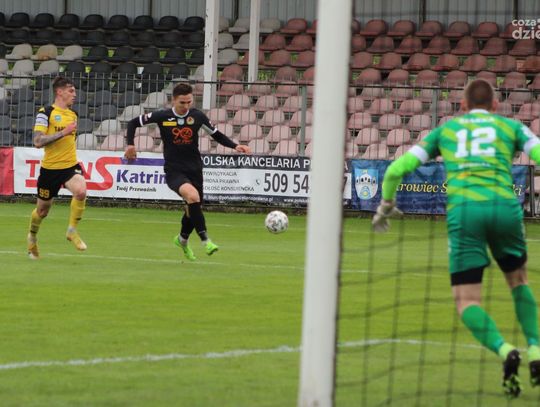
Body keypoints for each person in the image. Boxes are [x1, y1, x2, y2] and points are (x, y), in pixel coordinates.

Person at [372, 79, 540, 399]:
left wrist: (386, 205)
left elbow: (395, 170)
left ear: (462, 106)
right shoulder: (511, 126)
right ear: (495, 105)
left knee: (467, 301)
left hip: (464, 213)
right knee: (519, 281)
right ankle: (535, 349)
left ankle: (505, 350)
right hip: (505, 209)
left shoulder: (445, 132)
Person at [124, 83, 251, 261]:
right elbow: (132, 123)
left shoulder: (197, 116)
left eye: (189, 102)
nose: (186, 106)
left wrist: (235, 146)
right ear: (174, 100)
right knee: (193, 197)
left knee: (193, 207)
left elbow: (216, 134)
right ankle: (206, 241)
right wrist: (130, 145)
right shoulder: (162, 116)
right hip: (174, 170)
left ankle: (182, 239)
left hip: (195, 169)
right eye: (182, 102)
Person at [27, 76, 87, 259]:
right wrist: (63, 132)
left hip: (69, 166)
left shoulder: (73, 114)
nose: (74, 94)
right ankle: (32, 237)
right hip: (50, 170)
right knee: (42, 211)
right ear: (59, 92)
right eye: (71, 91)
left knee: (81, 191)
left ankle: (72, 231)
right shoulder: (45, 113)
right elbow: (38, 141)